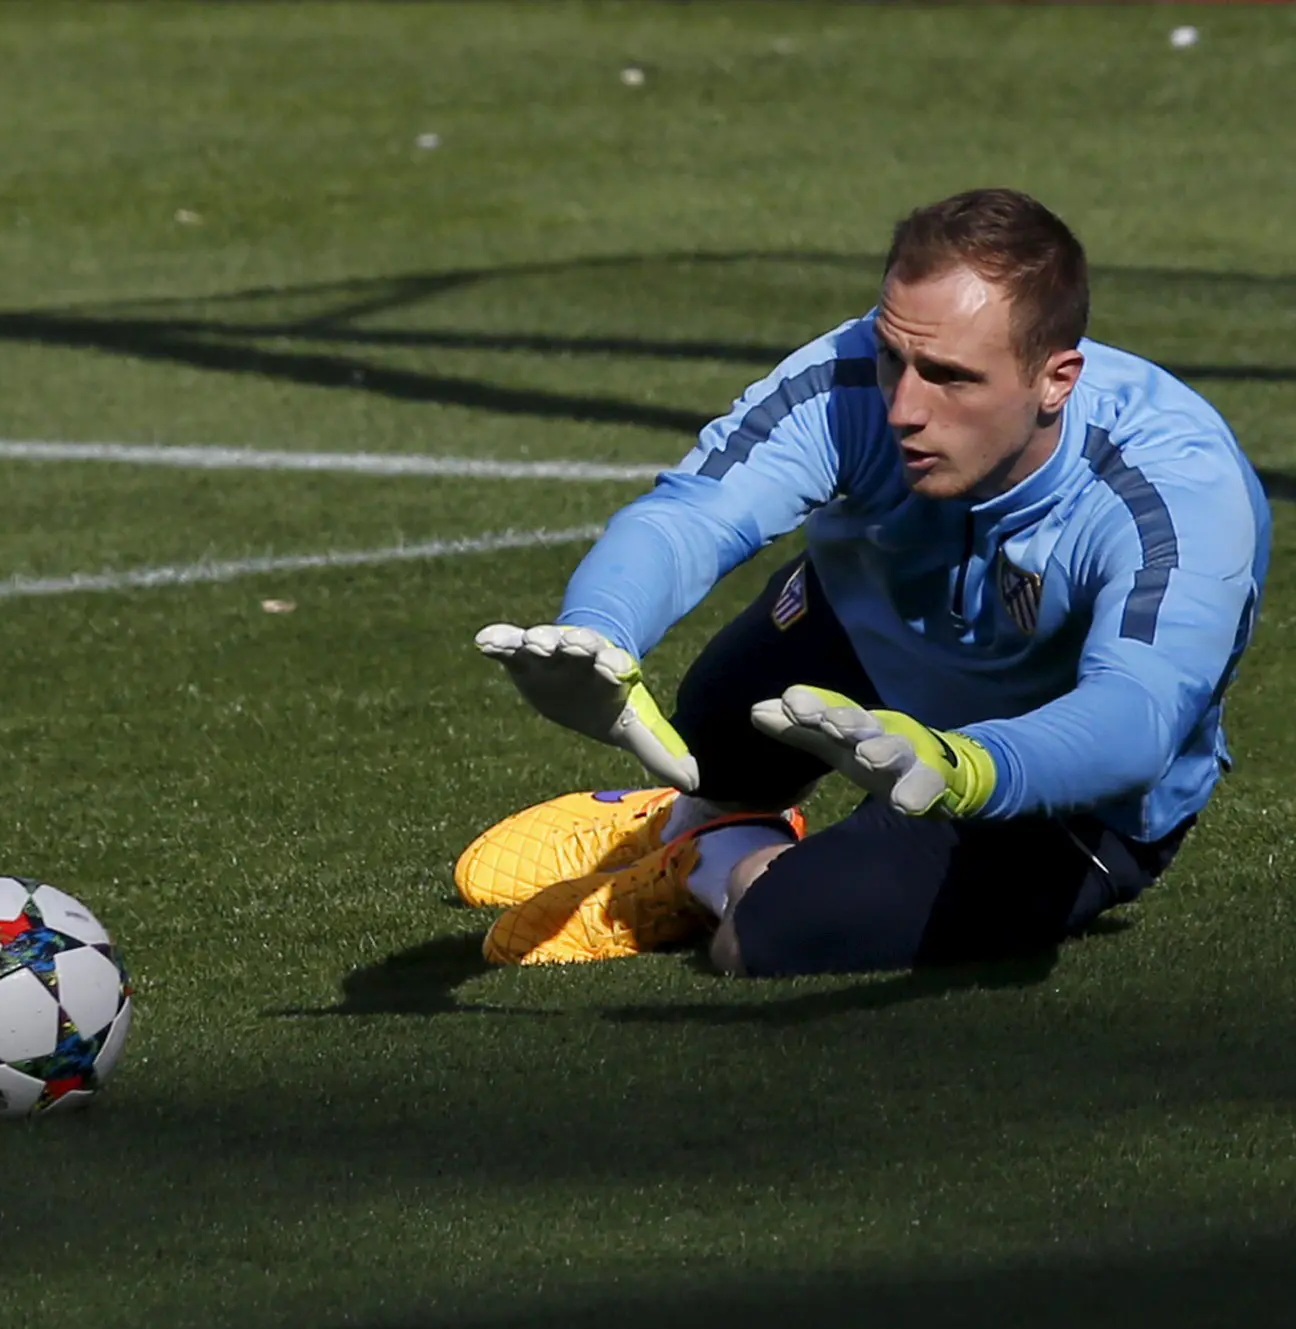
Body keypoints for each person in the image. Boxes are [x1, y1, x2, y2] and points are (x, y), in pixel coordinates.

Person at [458, 188, 1270, 977]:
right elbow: (692, 514)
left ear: (1056, 379)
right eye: (893, 357)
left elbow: (1136, 719)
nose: (904, 406)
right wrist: (602, 627)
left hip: (1053, 787)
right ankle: (694, 814)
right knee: (708, 727)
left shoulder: (1173, 495)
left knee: (769, 936)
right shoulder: (850, 377)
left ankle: (704, 861)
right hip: (868, 630)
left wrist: (965, 766)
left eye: (951, 376)